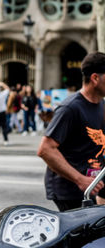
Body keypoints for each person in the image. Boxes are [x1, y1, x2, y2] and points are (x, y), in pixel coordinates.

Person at [37, 52, 105, 212]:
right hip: (70, 190)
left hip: (92, 186)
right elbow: (45, 149)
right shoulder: (70, 108)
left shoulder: (101, 104)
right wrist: (80, 179)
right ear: (95, 78)